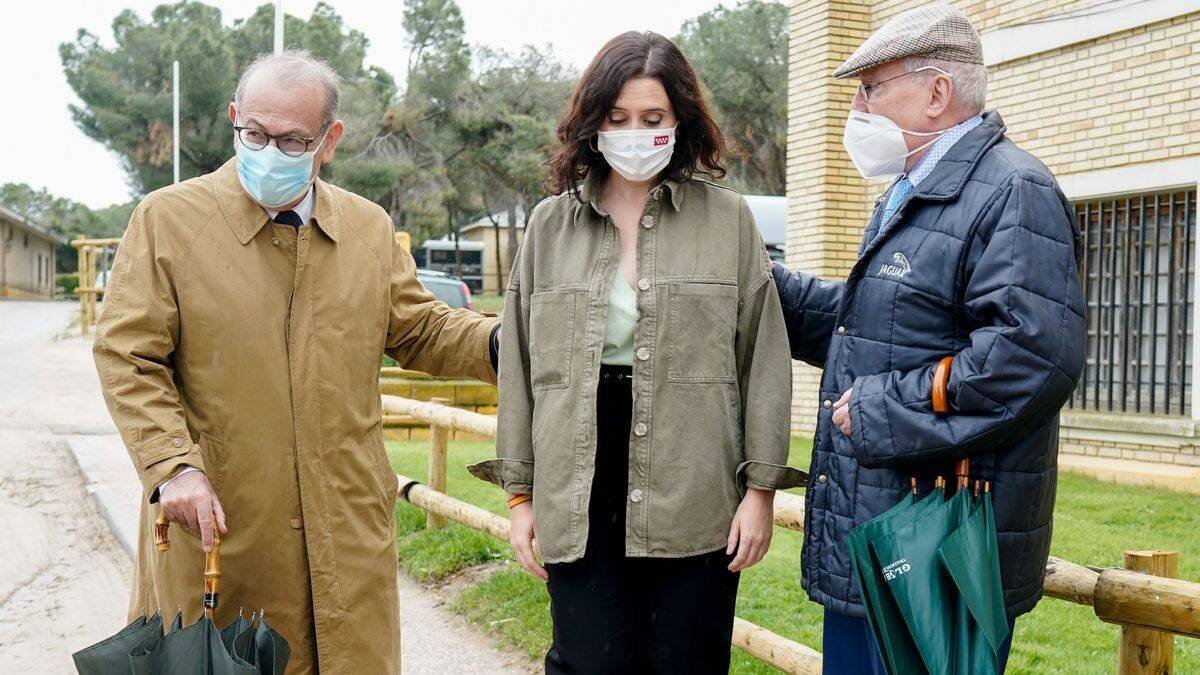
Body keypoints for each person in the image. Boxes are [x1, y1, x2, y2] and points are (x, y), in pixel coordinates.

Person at [92, 49, 500, 674]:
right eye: (253, 133)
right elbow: (127, 353)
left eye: (291, 140)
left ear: (329, 140)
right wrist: (171, 466)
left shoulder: (367, 229)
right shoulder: (168, 222)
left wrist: (505, 344)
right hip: (224, 532)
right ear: (234, 119)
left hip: (348, 532)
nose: (267, 151)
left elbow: (421, 328)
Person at [468, 31, 804, 675]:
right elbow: (521, 367)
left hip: (694, 479)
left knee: (688, 663)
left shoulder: (729, 221)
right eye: (617, 119)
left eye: (653, 119)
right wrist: (520, 499)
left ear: (681, 121)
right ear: (591, 124)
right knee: (588, 664)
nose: (635, 133)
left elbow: (762, 356)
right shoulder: (548, 225)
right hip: (578, 480)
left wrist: (761, 490)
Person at [771, 5, 1086, 673]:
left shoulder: (1012, 191)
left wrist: (885, 409)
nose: (857, 107)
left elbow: (1030, 357)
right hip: (878, 535)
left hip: (939, 549)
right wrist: (756, 281)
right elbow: (876, 331)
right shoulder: (912, 192)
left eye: (871, 87)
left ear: (937, 92)